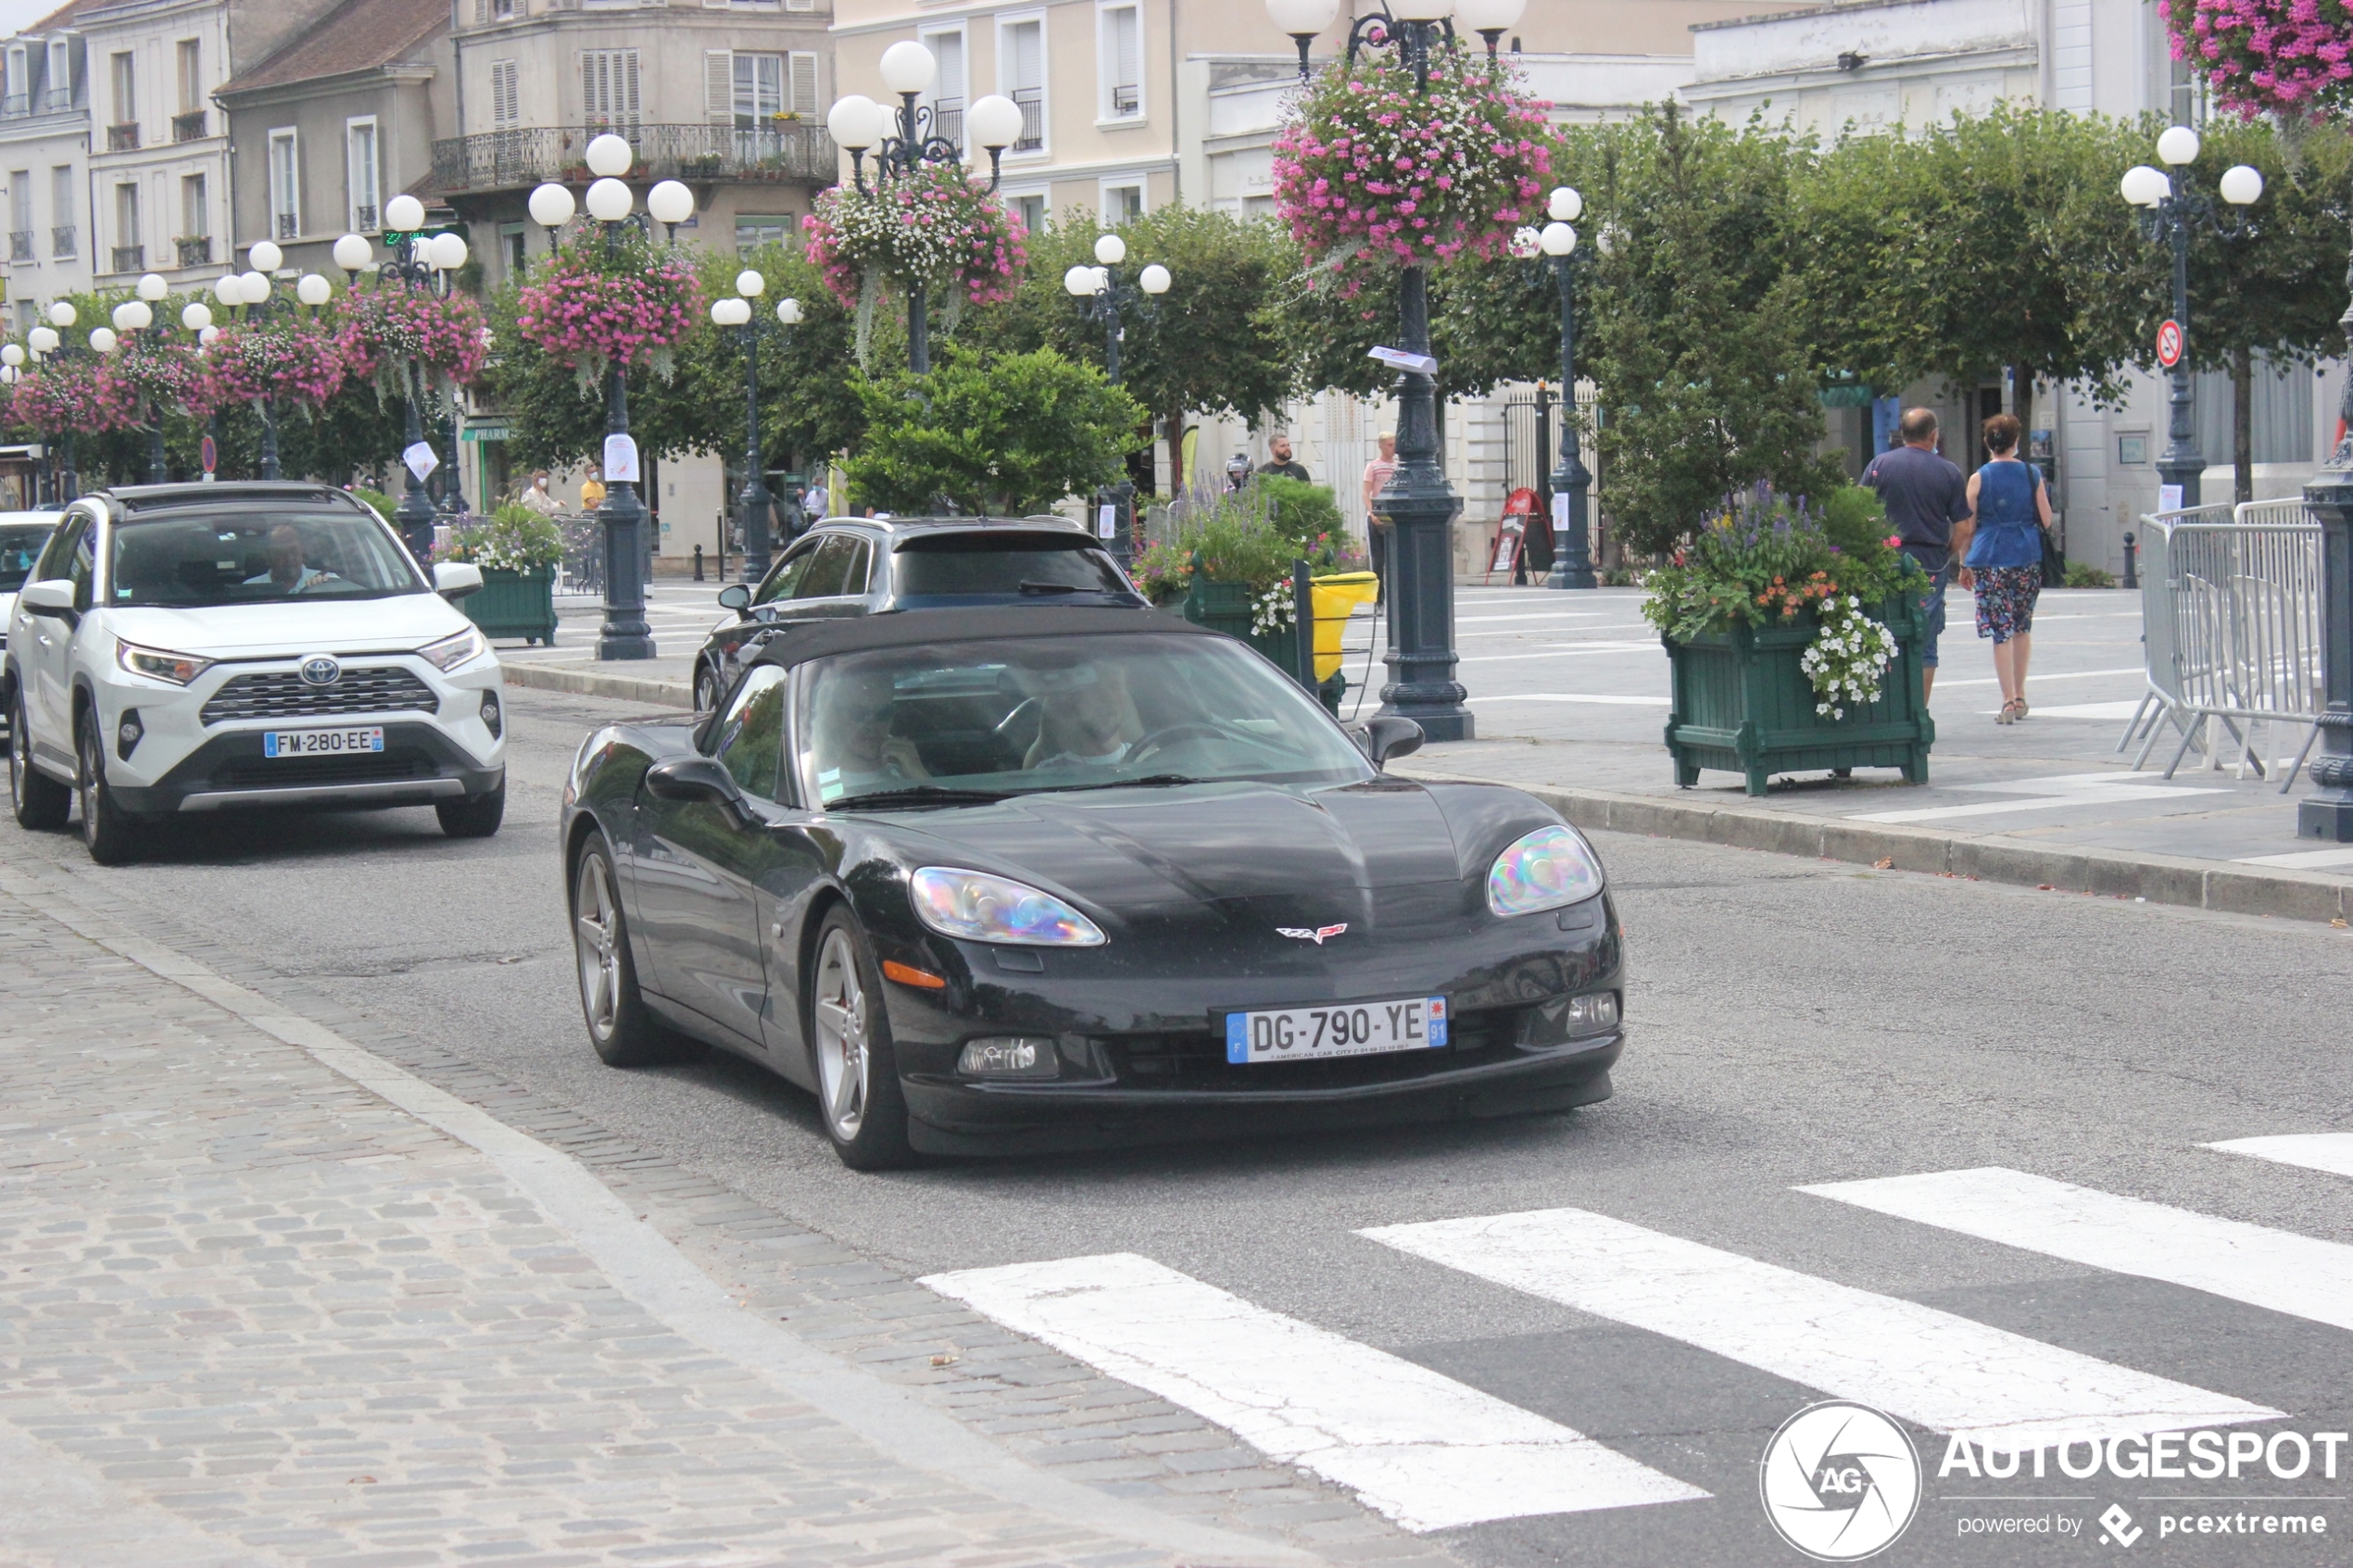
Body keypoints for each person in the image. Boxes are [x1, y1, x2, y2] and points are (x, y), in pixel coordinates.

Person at [1861, 408, 1970, 702]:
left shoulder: (1879, 465)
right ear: (1933, 435)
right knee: (1925, 639)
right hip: (1929, 564)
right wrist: (1948, 552)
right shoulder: (1948, 472)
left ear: (1903, 434)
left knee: (1886, 631)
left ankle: (1888, 706)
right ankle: (1919, 712)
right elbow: (1963, 528)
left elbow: (1860, 512)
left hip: (1887, 561)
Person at [1957, 412, 2053, 724]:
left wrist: (1963, 563)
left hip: (1990, 556)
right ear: (2016, 441)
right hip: (2027, 553)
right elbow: (2047, 518)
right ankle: (2022, 694)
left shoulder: (1979, 478)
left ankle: (2008, 700)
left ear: (1987, 442)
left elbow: (1967, 526)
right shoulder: (2031, 474)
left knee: (2002, 630)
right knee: (2023, 626)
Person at [812, 667, 929, 803]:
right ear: (833, 716)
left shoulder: (907, 765)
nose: (872, 724)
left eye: (883, 714)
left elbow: (945, 816)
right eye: (859, 714)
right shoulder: (808, 777)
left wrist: (921, 777)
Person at [1025, 663, 1142, 769]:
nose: (1108, 698)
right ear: (1074, 700)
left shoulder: (1149, 763)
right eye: (1094, 689)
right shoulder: (1048, 774)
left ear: (1125, 697)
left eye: (1115, 687)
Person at [1361, 431, 1398, 587]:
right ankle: (1379, 598)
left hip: (1393, 517)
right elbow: (1365, 493)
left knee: (1395, 560)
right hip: (1376, 517)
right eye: (1390, 445)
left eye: (1394, 444)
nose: (1393, 448)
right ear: (1381, 446)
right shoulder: (1373, 466)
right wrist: (1373, 512)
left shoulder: (1398, 467)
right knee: (1378, 561)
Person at [244, 523, 325, 593]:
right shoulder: (251, 589)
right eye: (281, 553)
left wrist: (320, 590)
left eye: (293, 551)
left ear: (302, 551)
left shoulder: (326, 581)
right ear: (268, 556)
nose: (289, 558)